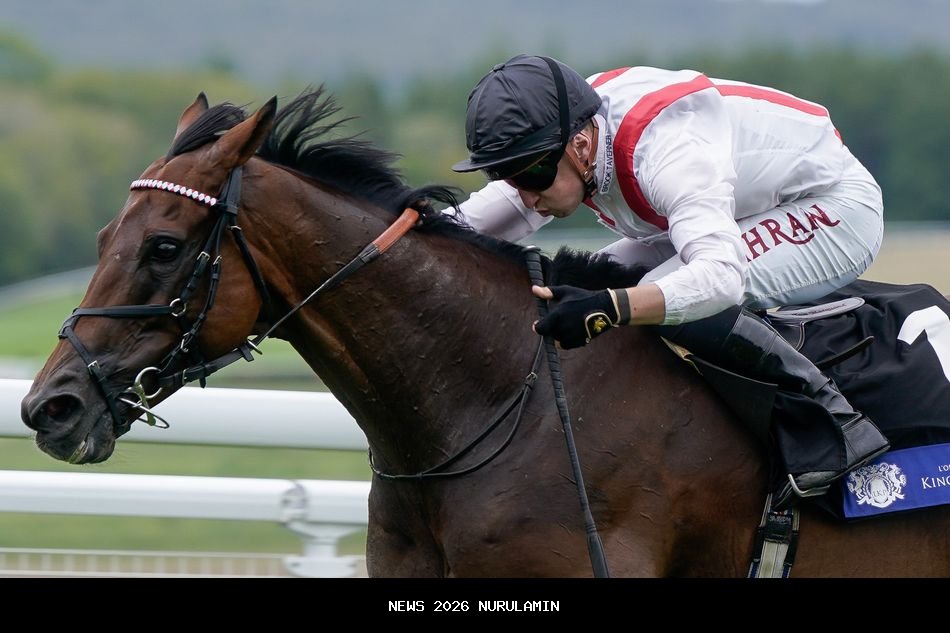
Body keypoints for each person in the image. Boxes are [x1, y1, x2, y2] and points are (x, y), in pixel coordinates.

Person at [448, 54, 890, 508]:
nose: (522, 192)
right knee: (587, 280)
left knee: (657, 299)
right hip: (739, 204)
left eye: (529, 174)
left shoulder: (668, 150)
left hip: (834, 208)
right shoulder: (562, 139)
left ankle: (835, 423)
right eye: (504, 173)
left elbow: (719, 278)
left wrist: (614, 307)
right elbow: (473, 222)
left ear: (581, 145)